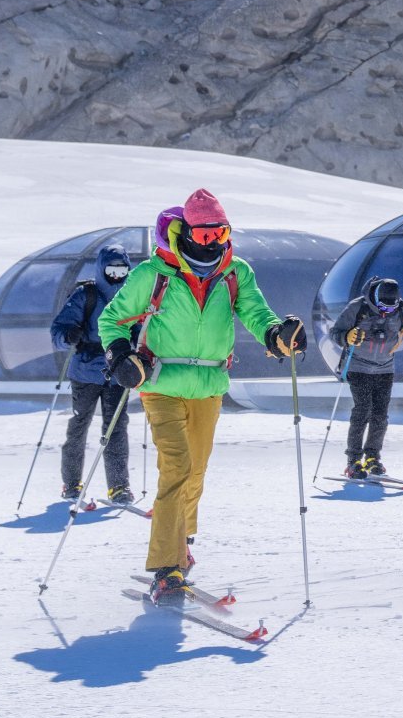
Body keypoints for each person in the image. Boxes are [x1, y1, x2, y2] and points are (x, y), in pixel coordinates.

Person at [98, 190, 307, 603]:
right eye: (205, 235)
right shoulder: (155, 273)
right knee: (176, 466)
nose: (213, 243)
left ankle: (182, 539)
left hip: (209, 385)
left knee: (195, 471)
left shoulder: (235, 273)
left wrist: (276, 335)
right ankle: (167, 567)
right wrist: (120, 355)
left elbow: (255, 313)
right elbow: (112, 319)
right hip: (161, 383)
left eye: (221, 234)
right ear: (187, 232)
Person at [327, 276, 403, 479]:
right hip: (358, 366)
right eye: (382, 307)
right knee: (363, 410)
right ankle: (353, 460)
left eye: (391, 308)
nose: (386, 312)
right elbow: (335, 333)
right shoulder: (358, 307)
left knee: (380, 415)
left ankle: (372, 457)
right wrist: (347, 337)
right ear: (375, 298)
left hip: (384, 368)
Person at [49, 242, 136, 506]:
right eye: (112, 271)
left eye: (122, 271)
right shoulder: (85, 295)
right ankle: (72, 484)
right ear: (101, 269)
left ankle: (119, 487)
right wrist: (68, 336)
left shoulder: (132, 296)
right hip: (85, 371)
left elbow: (142, 327)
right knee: (79, 426)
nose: (117, 277)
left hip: (117, 371)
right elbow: (58, 330)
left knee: (116, 429)